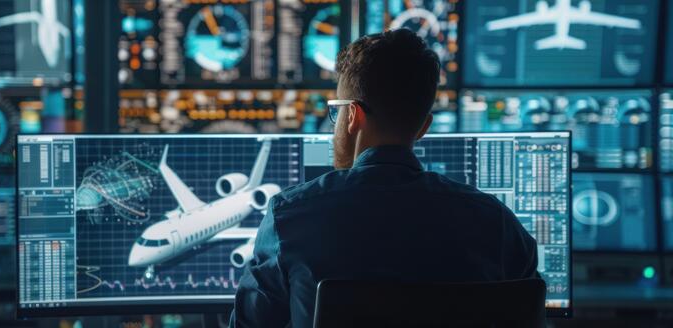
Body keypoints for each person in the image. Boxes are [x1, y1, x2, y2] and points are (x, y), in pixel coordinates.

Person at [229, 29, 539, 328]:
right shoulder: (497, 224)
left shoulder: (291, 216)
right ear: (423, 127)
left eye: (336, 113)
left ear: (352, 116)